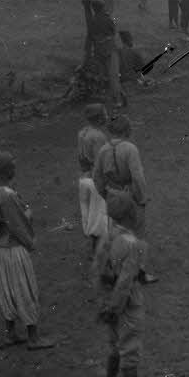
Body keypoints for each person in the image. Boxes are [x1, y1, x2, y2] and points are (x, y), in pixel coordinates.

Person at [94, 192, 160, 377]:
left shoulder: (107, 237)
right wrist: (115, 308)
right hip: (125, 304)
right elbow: (125, 282)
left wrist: (106, 306)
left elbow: (99, 271)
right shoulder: (135, 244)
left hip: (108, 299)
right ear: (131, 214)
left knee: (114, 345)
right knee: (130, 349)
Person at [0, 152, 54, 350]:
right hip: (13, 248)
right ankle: (33, 337)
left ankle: (11, 333)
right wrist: (30, 242)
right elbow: (17, 225)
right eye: (12, 166)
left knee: (7, 291)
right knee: (25, 290)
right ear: (7, 171)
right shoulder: (7, 195)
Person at [93, 114, 158, 284]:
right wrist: (141, 197)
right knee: (138, 234)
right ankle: (140, 272)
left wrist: (106, 194)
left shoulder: (103, 150)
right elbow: (138, 177)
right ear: (127, 130)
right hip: (130, 197)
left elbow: (97, 177)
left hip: (112, 195)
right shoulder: (130, 149)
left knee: (117, 234)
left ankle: (115, 271)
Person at [77, 103, 111, 267]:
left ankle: (93, 250)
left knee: (90, 215)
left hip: (84, 177)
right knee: (100, 217)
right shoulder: (98, 136)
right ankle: (100, 253)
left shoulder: (83, 132)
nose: (107, 116)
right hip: (96, 180)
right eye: (105, 114)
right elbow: (100, 162)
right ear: (99, 119)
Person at [88, 0, 121, 106]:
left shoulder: (92, 21)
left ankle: (102, 98)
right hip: (110, 49)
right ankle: (117, 100)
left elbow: (91, 36)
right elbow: (114, 30)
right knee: (113, 76)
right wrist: (114, 18)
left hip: (98, 51)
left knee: (101, 75)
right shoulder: (107, 18)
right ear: (102, 8)